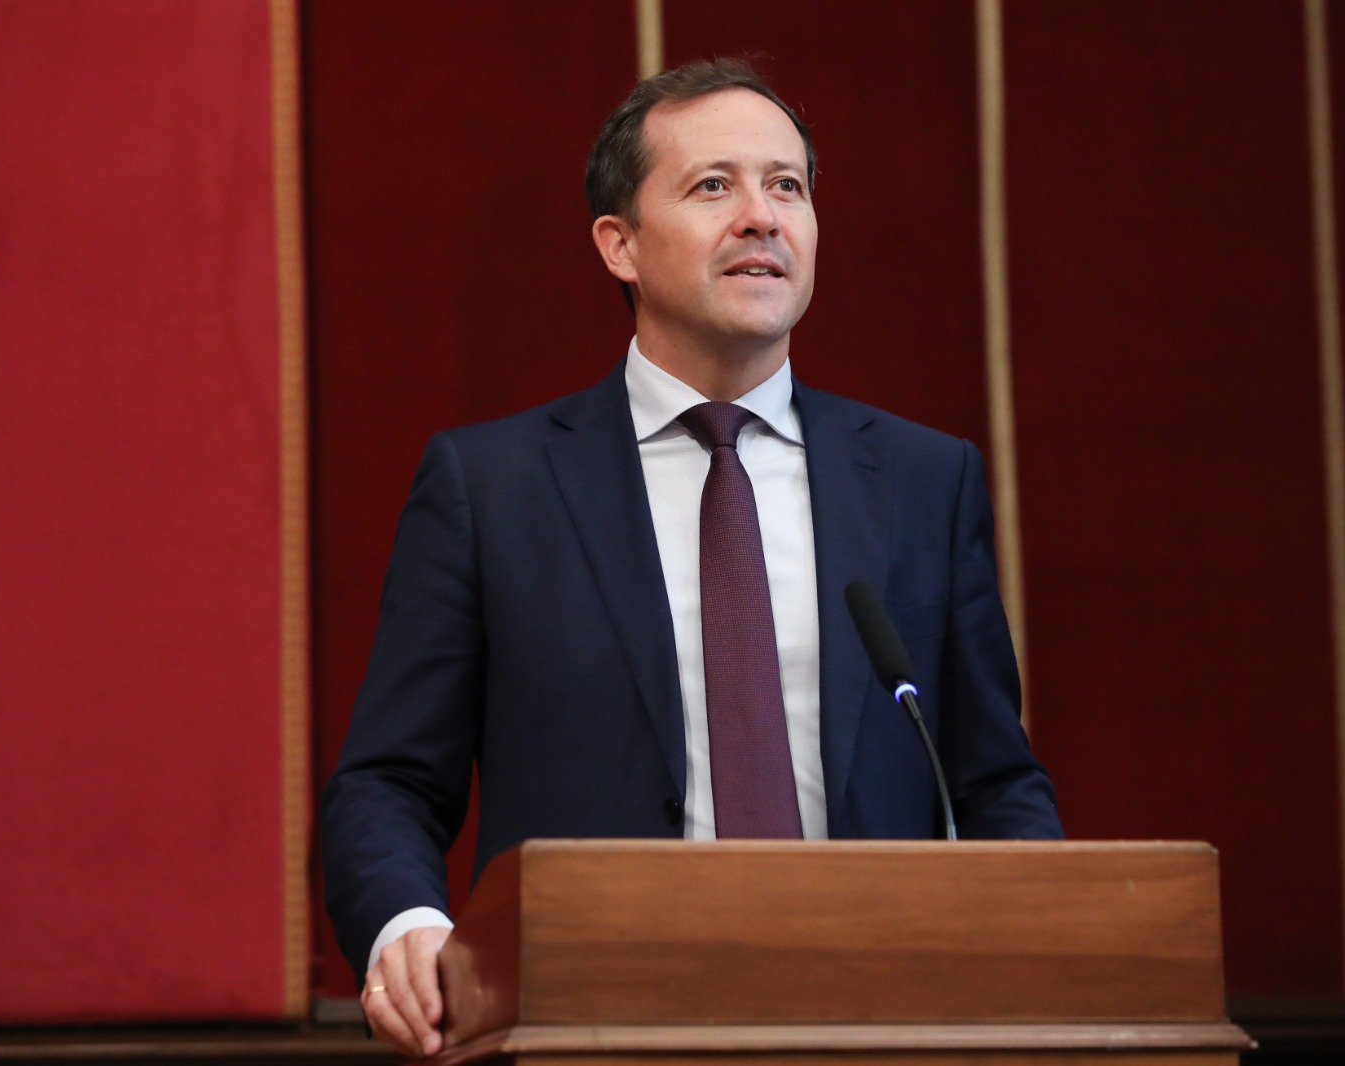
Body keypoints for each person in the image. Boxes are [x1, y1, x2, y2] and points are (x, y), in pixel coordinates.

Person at [321, 58, 1063, 1057]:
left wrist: (1046, 947)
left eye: (786, 185)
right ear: (619, 244)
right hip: (589, 1021)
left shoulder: (926, 481)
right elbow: (388, 783)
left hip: (878, 1021)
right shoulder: (491, 487)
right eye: (714, 185)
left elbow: (995, 782)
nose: (761, 217)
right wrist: (407, 928)